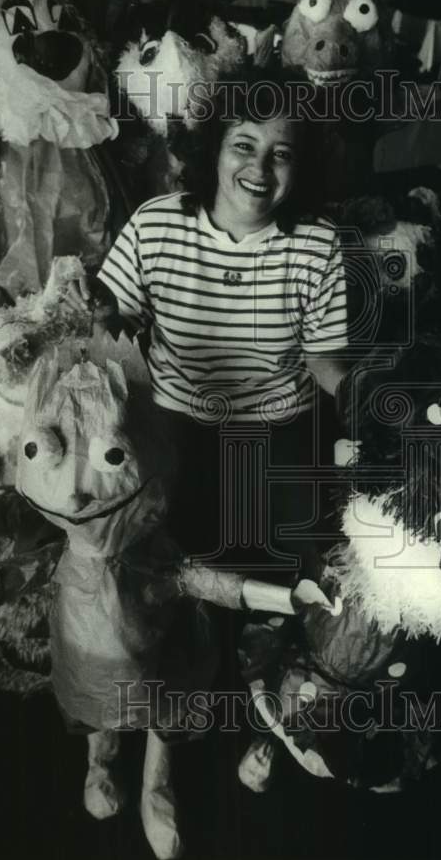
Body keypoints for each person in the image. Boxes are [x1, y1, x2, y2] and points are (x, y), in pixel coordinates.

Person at [66, 71, 350, 582]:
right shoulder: (155, 223)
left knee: (305, 572)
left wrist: (365, 396)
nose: (259, 168)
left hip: (282, 430)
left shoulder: (319, 241)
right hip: (177, 426)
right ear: (213, 149)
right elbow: (117, 328)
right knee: (178, 569)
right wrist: (100, 313)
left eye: (281, 153)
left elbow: (323, 357)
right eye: (243, 145)